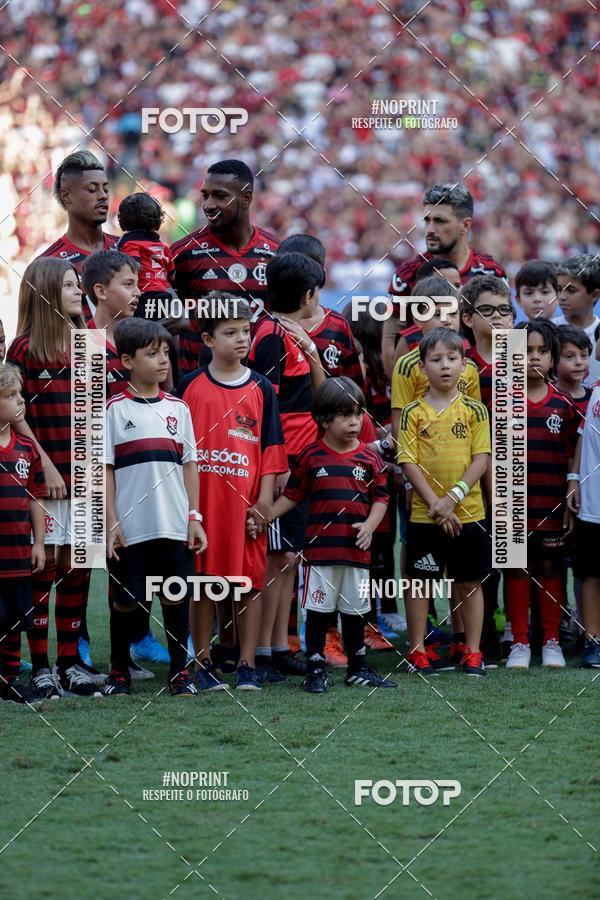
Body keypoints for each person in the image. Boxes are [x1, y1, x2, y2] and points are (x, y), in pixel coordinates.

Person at [249, 377, 395, 692]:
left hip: (356, 553)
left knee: (356, 611)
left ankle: (358, 668)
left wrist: (369, 525)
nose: (354, 422)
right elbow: (293, 495)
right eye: (345, 415)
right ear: (324, 420)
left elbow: (381, 499)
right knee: (318, 611)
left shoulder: (371, 459)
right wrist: (267, 516)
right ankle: (315, 669)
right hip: (319, 554)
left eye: (358, 414)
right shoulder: (311, 456)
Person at [177, 295, 287, 690]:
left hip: (246, 509)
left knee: (248, 584)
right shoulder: (189, 387)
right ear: (208, 338)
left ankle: (246, 663)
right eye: (230, 333)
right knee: (203, 584)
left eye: (245, 331)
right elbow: (179, 452)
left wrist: (263, 503)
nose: (242, 339)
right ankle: (203, 661)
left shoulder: (261, 387)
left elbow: (273, 451)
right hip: (203, 508)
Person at [7, 257, 102, 698]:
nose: (76, 290)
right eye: (68, 285)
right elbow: (15, 413)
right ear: (45, 291)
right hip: (49, 479)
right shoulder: (24, 349)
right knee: (44, 568)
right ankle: (41, 665)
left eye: (77, 283)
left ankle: (70, 662)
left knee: (78, 568)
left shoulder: (89, 341)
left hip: (86, 477)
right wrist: (44, 462)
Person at [104, 319, 207, 697]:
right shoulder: (114, 410)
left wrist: (194, 517)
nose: (163, 361)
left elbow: (190, 466)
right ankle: (119, 669)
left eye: (166, 353)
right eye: (152, 354)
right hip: (132, 528)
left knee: (176, 597)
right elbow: (106, 470)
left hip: (175, 526)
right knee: (127, 601)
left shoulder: (178, 409)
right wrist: (112, 522)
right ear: (128, 361)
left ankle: (180, 673)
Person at [82, 249, 167, 675]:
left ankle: (135, 644)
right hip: (92, 470)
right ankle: (77, 646)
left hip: (137, 474)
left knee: (136, 560)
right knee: (83, 563)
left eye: (137, 283)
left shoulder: (139, 340)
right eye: (128, 284)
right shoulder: (85, 343)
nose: (138, 291)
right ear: (100, 291)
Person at [248, 251, 326, 684]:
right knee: (274, 558)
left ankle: (279, 646)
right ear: (308, 294)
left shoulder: (288, 333)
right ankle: (259, 651)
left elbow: (321, 397)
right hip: (281, 464)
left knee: (287, 559)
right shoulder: (272, 336)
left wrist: (312, 349)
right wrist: (272, 466)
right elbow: (265, 407)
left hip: (298, 462)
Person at [397, 328, 490, 677]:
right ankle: (417, 651)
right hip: (426, 515)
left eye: (452, 359)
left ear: (465, 366)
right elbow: (408, 461)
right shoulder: (411, 413)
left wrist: (452, 498)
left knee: (469, 582)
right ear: (422, 368)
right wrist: (436, 504)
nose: (445, 366)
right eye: (436, 360)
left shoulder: (475, 411)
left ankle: (473, 651)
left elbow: (480, 459)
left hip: (469, 513)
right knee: (420, 582)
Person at [504, 321, 578, 670]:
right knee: (516, 569)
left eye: (542, 351)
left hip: (550, 502)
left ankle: (550, 640)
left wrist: (571, 488)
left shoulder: (564, 405)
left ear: (551, 357)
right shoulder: (502, 402)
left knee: (550, 568)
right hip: (512, 504)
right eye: (526, 350)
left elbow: (574, 451)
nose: (534, 357)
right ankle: (519, 641)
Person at [382, 183, 506, 376]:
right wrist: (401, 396)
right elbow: (390, 340)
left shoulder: (491, 273)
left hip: (483, 387)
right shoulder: (406, 276)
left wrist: (505, 399)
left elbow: (506, 336)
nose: (430, 229)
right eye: (427, 220)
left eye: (440, 221)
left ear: (465, 225)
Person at [171, 159, 279, 377]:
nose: (209, 205)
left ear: (246, 198)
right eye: (205, 195)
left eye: (220, 196)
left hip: (261, 389)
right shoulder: (183, 254)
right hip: (199, 391)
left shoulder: (277, 254)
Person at [461, 275, 516, 663]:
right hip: (467, 467)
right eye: (488, 310)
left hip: (512, 465)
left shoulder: (518, 354)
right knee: (473, 552)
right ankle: (470, 634)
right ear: (467, 318)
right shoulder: (461, 361)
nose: (498, 318)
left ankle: (513, 629)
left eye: (504, 310)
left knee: (509, 551)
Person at [0, 363, 47, 704]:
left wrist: (40, 544)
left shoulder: (27, 450)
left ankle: (11, 678)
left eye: (20, 394)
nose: (21, 401)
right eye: (11, 395)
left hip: (18, 555)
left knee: (15, 620)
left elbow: (36, 499)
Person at [39, 151, 118, 321]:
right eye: (92, 189)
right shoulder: (47, 265)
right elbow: (39, 339)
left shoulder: (127, 248)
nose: (103, 196)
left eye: (106, 189)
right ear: (65, 196)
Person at [566, 381, 600, 668]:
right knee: (590, 574)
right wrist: (574, 478)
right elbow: (582, 436)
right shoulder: (596, 390)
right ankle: (592, 641)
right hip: (593, 503)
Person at [117, 192, 176, 320]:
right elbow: (172, 276)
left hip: (143, 297)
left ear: (123, 220)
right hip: (164, 298)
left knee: (139, 333)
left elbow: (133, 267)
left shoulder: (130, 244)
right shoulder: (163, 247)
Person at [392, 258, 462, 362]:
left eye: (453, 313)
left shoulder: (464, 345)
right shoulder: (409, 344)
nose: (447, 320)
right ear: (419, 320)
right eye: (438, 315)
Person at [554, 255, 600, 385]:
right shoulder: (548, 330)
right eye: (558, 289)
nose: (561, 297)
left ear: (595, 295)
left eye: (571, 290)